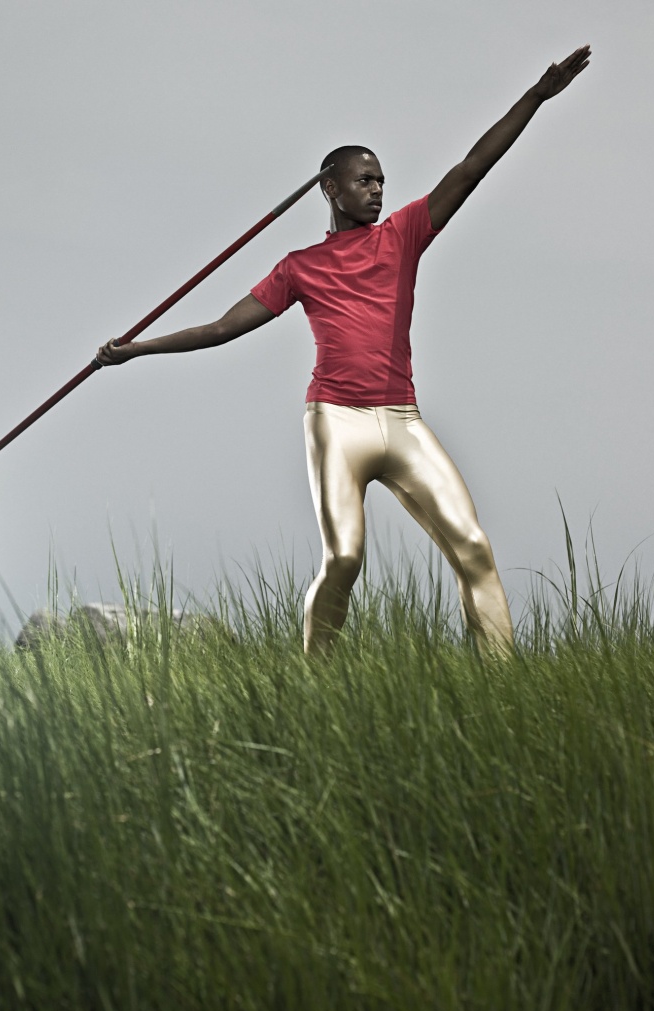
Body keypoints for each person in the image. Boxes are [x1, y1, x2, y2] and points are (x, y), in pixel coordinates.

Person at [97, 46, 591, 657]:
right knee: (345, 558)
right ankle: (317, 684)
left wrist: (537, 96)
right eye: (364, 180)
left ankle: (504, 687)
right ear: (330, 190)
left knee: (474, 548)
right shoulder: (300, 267)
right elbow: (222, 328)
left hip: (403, 422)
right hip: (336, 421)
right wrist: (134, 349)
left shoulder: (404, 235)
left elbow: (470, 168)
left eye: (381, 179)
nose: (378, 189)